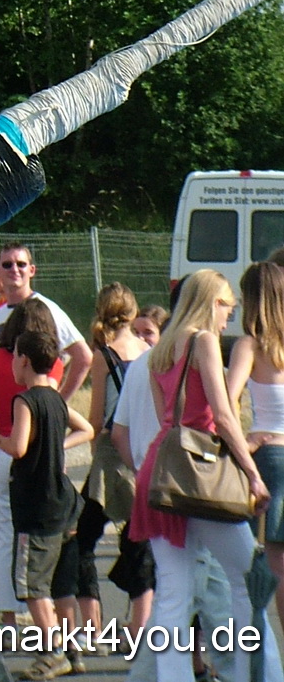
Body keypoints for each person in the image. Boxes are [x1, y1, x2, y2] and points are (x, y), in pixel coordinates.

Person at [128, 269, 279, 682]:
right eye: (226, 307)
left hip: (161, 473)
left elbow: (171, 419)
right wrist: (251, 472)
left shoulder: (158, 351)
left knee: (174, 593)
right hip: (201, 475)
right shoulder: (203, 341)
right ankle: (257, 672)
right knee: (249, 576)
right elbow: (222, 415)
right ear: (212, 302)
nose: (228, 317)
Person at [0, 329, 91, 679]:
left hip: (37, 507)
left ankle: (52, 651)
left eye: (14, 357)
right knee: (62, 584)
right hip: (64, 501)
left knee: (32, 585)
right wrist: (59, 447)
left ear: (24, 360)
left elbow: (18, 447)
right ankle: (73, 649)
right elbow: (86, 428)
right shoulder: (56, 398)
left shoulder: (24, 401)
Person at [0, 296, 64, 623]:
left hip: (1, 453)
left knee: (6, 537)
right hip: (41, 460)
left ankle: (7, 616)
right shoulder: (51, 367)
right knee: (39, 542)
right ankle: (46, 615)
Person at [75, 284, 150, 635]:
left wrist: (93, 454)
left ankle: (92, 625)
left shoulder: (104, 355)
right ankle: (139, 624)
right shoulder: (149, 350)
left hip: (109, 449)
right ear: (133, 313)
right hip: (139, 448)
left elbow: (94, 418)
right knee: (138, 539)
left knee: (80, 539)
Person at [227, 261, 284, 636]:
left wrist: (243, 442)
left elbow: (226, 401)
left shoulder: (249, 345)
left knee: (273, 562)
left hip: (271, 455)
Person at [0, 242, 92, 400]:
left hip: (36, 410)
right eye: (7, 264)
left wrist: (59, 402)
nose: (14, 269)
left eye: (21, 264)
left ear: (32, 270)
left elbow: (83, 356)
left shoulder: (46, 309)